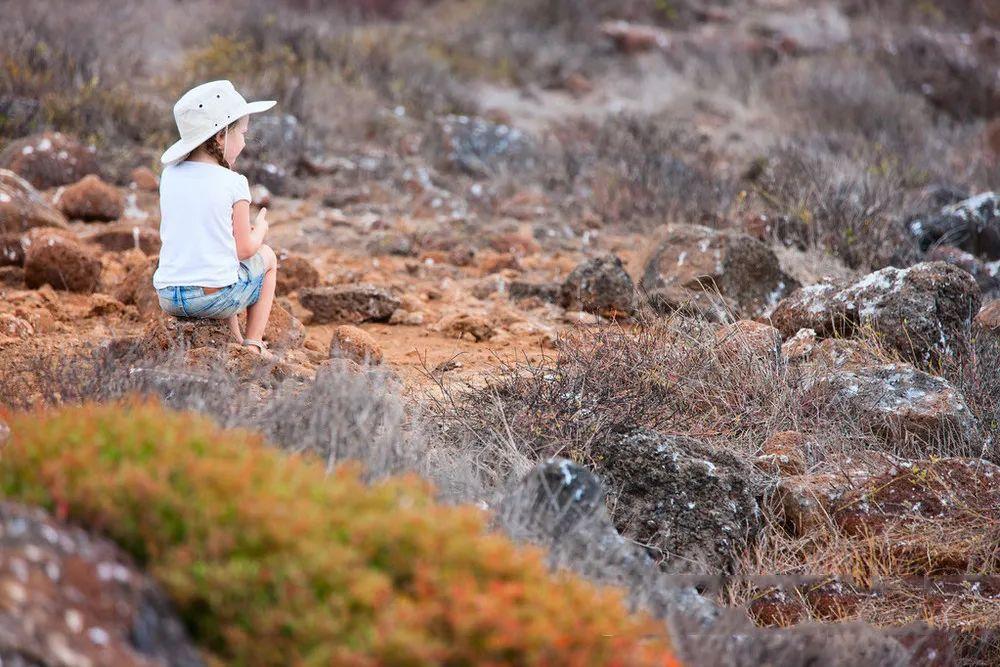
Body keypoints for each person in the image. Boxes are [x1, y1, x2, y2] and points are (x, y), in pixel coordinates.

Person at [152, 80, 278, 357]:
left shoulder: (170, 175)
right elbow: (244, 249)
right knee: (266, 258)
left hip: (169, 296)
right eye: (242, 134)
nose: (244, 142)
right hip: (212, 300)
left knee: (221, 261)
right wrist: (260, 230)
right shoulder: (234, 182)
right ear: (221, 136)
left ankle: (233, 337)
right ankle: (253, 344)